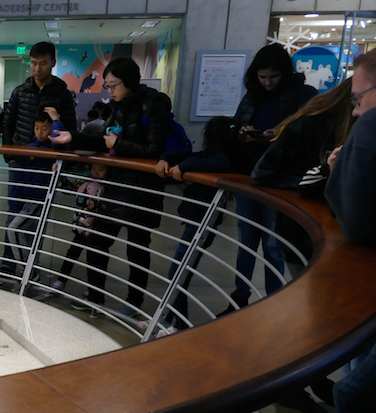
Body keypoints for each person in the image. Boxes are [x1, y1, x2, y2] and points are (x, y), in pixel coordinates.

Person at [57, 57, 170, 318]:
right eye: (106, 86)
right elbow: (102, 139)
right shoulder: (117, 107)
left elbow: (155, 150)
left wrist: (117, 145)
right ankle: (96, 296)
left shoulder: (152, 104)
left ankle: (134, 303)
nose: (110, 92)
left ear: (129, 82)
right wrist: (72, 137)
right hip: (116, 187)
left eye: (113, 85)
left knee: (137, 248)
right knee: (97, 242)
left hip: (143, 192)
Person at [319, 49, 376, 413]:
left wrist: (341, 171)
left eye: (357, 98)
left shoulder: (372, 128)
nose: (355, 111)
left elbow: (355, 217)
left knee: (357, 394)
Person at [218, 44, 317, 313]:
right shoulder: (252, 97)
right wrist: (243, 133)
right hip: (249, 176)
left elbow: (311, 135)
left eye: (272, 76)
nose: (267, 82)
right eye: (262, 77)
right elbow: (235, 128)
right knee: (246, 241)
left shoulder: (302, 96)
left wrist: (282, 134)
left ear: (283, 73)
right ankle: (240, 296)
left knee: (274, 244)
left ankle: (274, 300)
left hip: (281, 181)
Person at [147, 116, 240, 337]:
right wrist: (166, 158)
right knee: (180, 271)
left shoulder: (222, 159)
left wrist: (184, 165)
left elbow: (211, 162)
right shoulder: (210, 156)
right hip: (197, 220)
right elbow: (187, 155)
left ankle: (178, 324)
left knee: (178, 271)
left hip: (203, 222)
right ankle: (169, 319)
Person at [0, 42, 79, 279]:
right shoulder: (20, 92)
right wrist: (9, 155)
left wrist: (61, 161)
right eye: (33, 63)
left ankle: (31, 266)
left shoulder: (62, 94)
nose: (37, 68)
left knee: (36, 217)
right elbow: (8, 124)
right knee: (13, 213)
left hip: (44, 166)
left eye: (43, 63)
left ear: (53, 62)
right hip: (20, 163)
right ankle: (8, 264)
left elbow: (70, 130)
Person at [2, 108, 69, 282]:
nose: (40, 132)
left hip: (40, 200)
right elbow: (18, 180)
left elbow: (60, 143)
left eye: (45, 128)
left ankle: (29, 272)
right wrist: (15, 206)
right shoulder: (29, 149)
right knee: (22, 233)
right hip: (27, 201)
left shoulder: (53, 148)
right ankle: (29, 272)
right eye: (36, 128)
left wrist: (56, 119)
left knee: (19, 231)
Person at [252, 78, 355, 190]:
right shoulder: (311, 123)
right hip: (297, 198)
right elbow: (263, 173)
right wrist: (311, 182)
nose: (268, 82)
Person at [51, 162, 108, 294]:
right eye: (94, 168)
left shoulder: (108, 187)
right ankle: (61, 280)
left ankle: (92, 291)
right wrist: (60, 174)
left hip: (96, 229)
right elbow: (69, 188)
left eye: (101, 170)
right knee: (72, 253)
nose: (96, 172)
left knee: (93, 259)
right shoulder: (84, 181)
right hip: (81, 226)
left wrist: (97, 217)